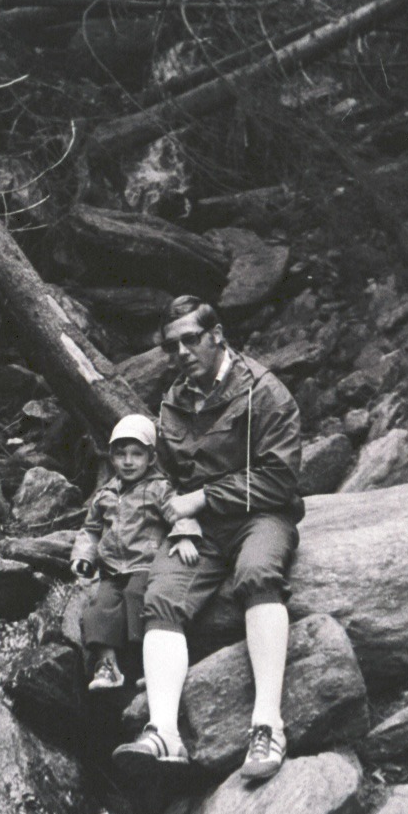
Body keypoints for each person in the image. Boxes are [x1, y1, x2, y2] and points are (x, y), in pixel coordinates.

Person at [112, 294, 303, 781]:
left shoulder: (265, 392)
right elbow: (169, 473)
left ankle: (267, 724)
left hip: (262, 516)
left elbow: (280, 480)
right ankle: (163, 734)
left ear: (217, 336)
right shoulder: (173, 400)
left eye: (190, 340)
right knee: (160, 596)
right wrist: (182, 516)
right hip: (201, 530)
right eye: (171, 346)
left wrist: (202, 500)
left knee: (257, 573)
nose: (180, 353)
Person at [70, 414, 202, 690]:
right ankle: (108, 666)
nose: (128, 461)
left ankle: (149, 664)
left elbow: (179, 512)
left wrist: (185, 537)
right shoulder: (105, 494)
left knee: (138, 598)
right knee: (99, 605)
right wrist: (83, 557)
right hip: (112, 568)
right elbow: (91, 530)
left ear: (150, 458)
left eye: (136, 454)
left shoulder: (159, 488)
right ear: (111, 458)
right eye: (121, 455)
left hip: (146, 564)